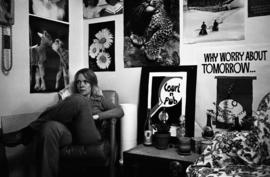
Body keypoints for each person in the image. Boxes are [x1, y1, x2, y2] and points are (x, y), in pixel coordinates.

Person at [0, 68, 124, 177]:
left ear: (92, 84)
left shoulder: (99, 99)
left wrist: (97, 116)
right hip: (70, 135)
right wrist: (64, 102)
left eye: (85, 82)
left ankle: (28, 132)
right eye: (78, 82)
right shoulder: (71, 99)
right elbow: (52, 113)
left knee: (80, 100)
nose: (81, 85)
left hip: (90, 135)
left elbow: (119, 111)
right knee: (49, 127)